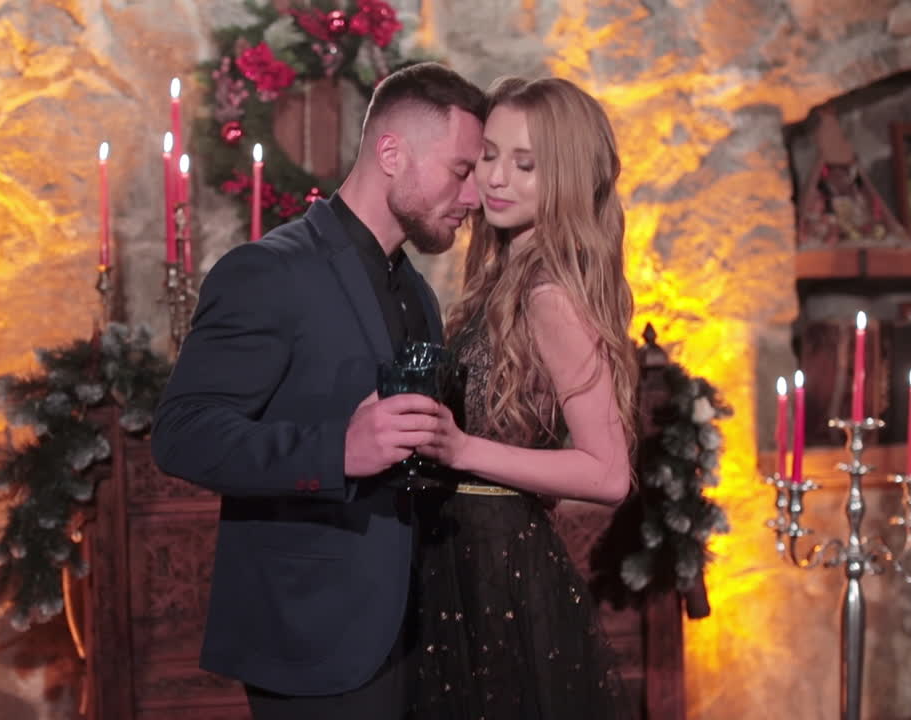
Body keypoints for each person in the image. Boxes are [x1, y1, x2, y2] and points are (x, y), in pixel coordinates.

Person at [151, 62, 486, 720]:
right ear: (391, 152)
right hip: (313, 637)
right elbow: (182, 434)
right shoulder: (266, 271)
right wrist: (336, 451)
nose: (472, 196)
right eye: (461, 170)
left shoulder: (417, 291)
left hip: (420, 633)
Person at [411, 76, 637, 719]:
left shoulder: (548, 295)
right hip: (465, 557)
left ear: (564, 175)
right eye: (489, 155)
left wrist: (459, 449)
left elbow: (608, 473)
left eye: (525, 163)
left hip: (501, 569)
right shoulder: (500, 276)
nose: (496, 178)